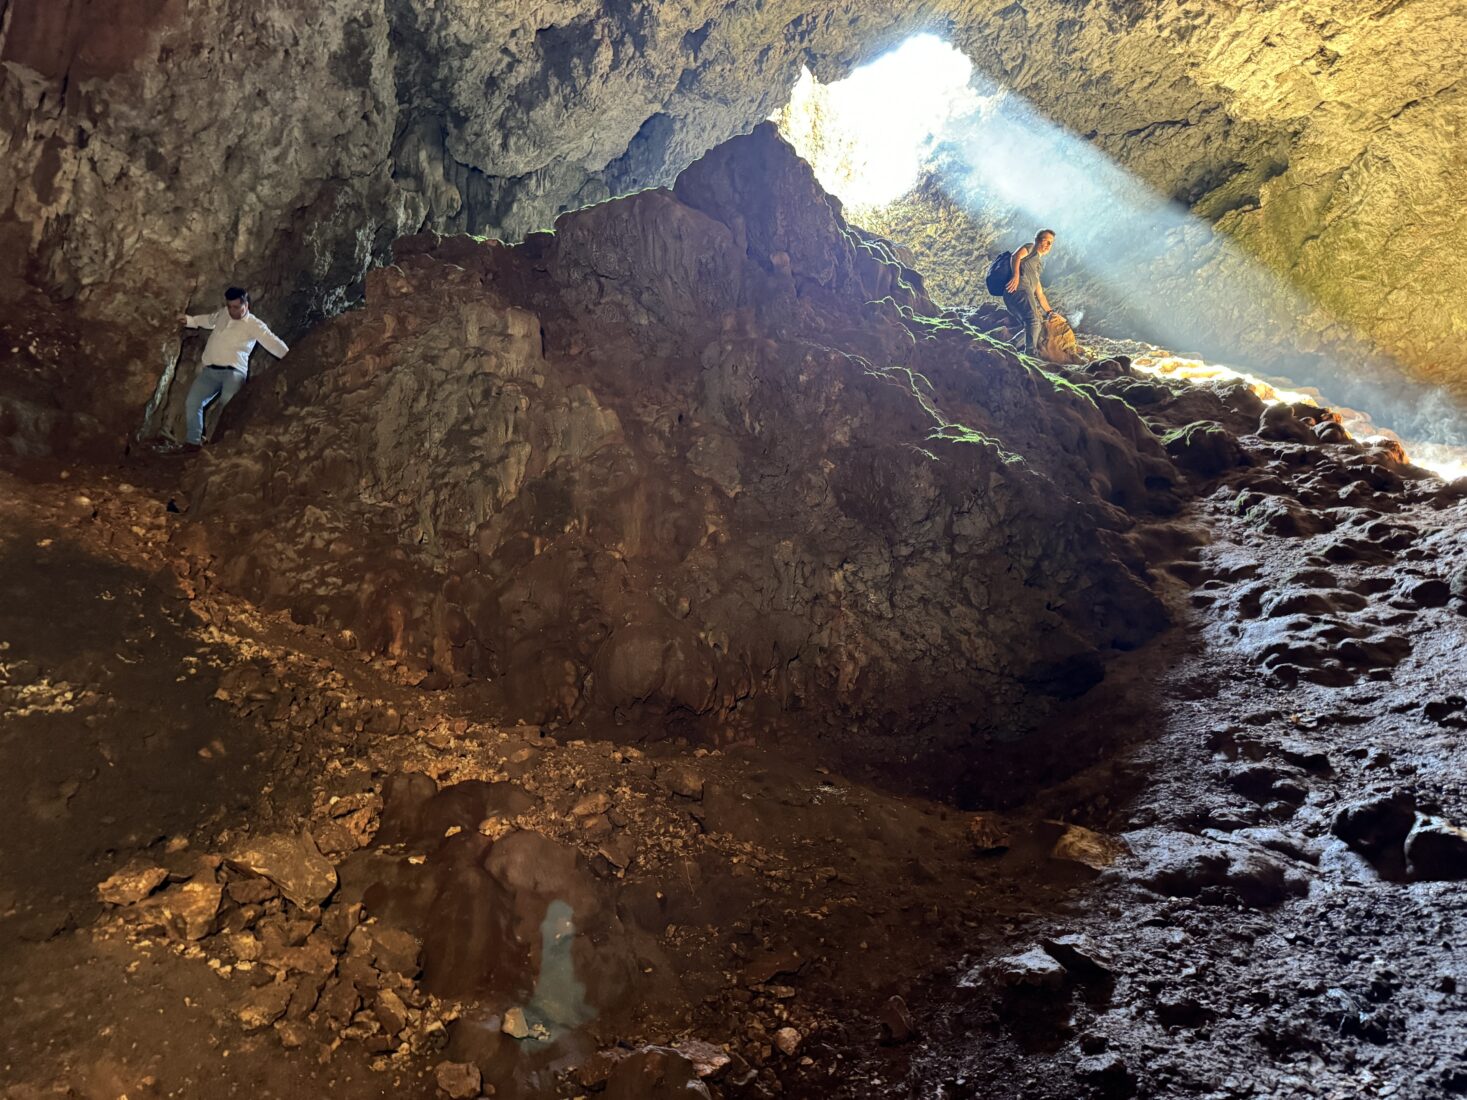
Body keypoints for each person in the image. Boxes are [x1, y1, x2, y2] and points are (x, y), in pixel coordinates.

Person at [175, 286, 288, 451]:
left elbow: (272, 342)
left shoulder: (254, 325)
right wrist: (190, 321)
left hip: (234, 373)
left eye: (236, 307)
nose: (232, 310)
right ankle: (193, 442)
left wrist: (291, 357)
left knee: (227, 406)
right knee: (193, 401)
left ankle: (217, 444)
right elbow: (209, 320)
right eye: (229, 306)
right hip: (210, 371)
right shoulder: (223, 314)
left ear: (246, 305)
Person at [1003, 230, 1059, 355]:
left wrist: (1050, 312)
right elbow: (1015, 256)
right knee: (1033, 321)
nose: (1048, 245)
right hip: (1019, 289)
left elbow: (1039, 293)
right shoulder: (1031, 247)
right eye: (1046, 241)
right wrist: (1016, 275)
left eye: (1051, 243)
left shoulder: (1037, 266)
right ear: (1038, 239)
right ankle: (1030, 354)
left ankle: (1010, 346)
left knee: (1035, 324)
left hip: (1015, 295)